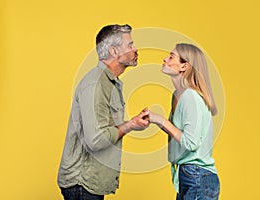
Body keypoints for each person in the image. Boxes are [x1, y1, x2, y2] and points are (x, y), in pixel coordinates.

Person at [57, 24, 150, 200]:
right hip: (82, 184)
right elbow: (96, 140)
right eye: (130, 45)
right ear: (114, 51)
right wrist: (130, 125)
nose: (135, 49)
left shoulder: (111, 83)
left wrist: (133, 123)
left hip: (91, 182)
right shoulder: (96, 84)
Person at [149, 43, 220, 200]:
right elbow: (177, 132)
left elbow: (191, 143)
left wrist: (161, 120)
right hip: (190, 175)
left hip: (197, 176)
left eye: (171, 56)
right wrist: (152, 119)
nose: (165, 59)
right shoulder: (177, 95)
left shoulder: (190, 96)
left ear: (184, 66)